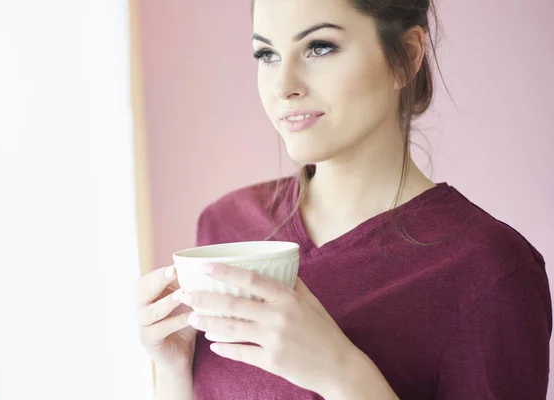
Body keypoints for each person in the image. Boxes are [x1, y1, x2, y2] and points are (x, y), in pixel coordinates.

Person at [137, 0, 552, 398]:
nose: (283, 86)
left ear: (406, 56)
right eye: (266, 54)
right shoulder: (225, 227)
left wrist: (343, 374)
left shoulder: (489, 268)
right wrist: (173, 371)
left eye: (319, 47)